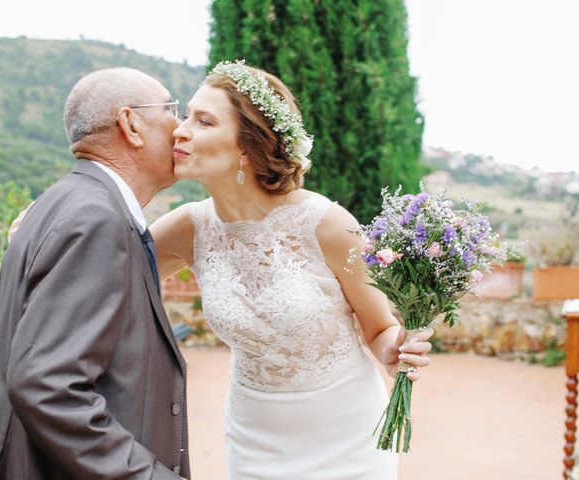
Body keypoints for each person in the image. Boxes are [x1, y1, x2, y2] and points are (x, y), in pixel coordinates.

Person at [150, 60, 434, 479]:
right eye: (187, 115)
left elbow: (378, 329)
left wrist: (396, 351)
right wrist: (54, 222)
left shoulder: (328, 225)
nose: (181, 129)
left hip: (347, 439)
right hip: (254, 438)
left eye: (204, 121)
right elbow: (105, 271)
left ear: (247, 146)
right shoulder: (187, 228)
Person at [0, 68, 190, 480]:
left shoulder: (63, 201)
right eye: (171, 109)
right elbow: (48, 386)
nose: (180, 126)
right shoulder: (96, 218)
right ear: (131, 124)